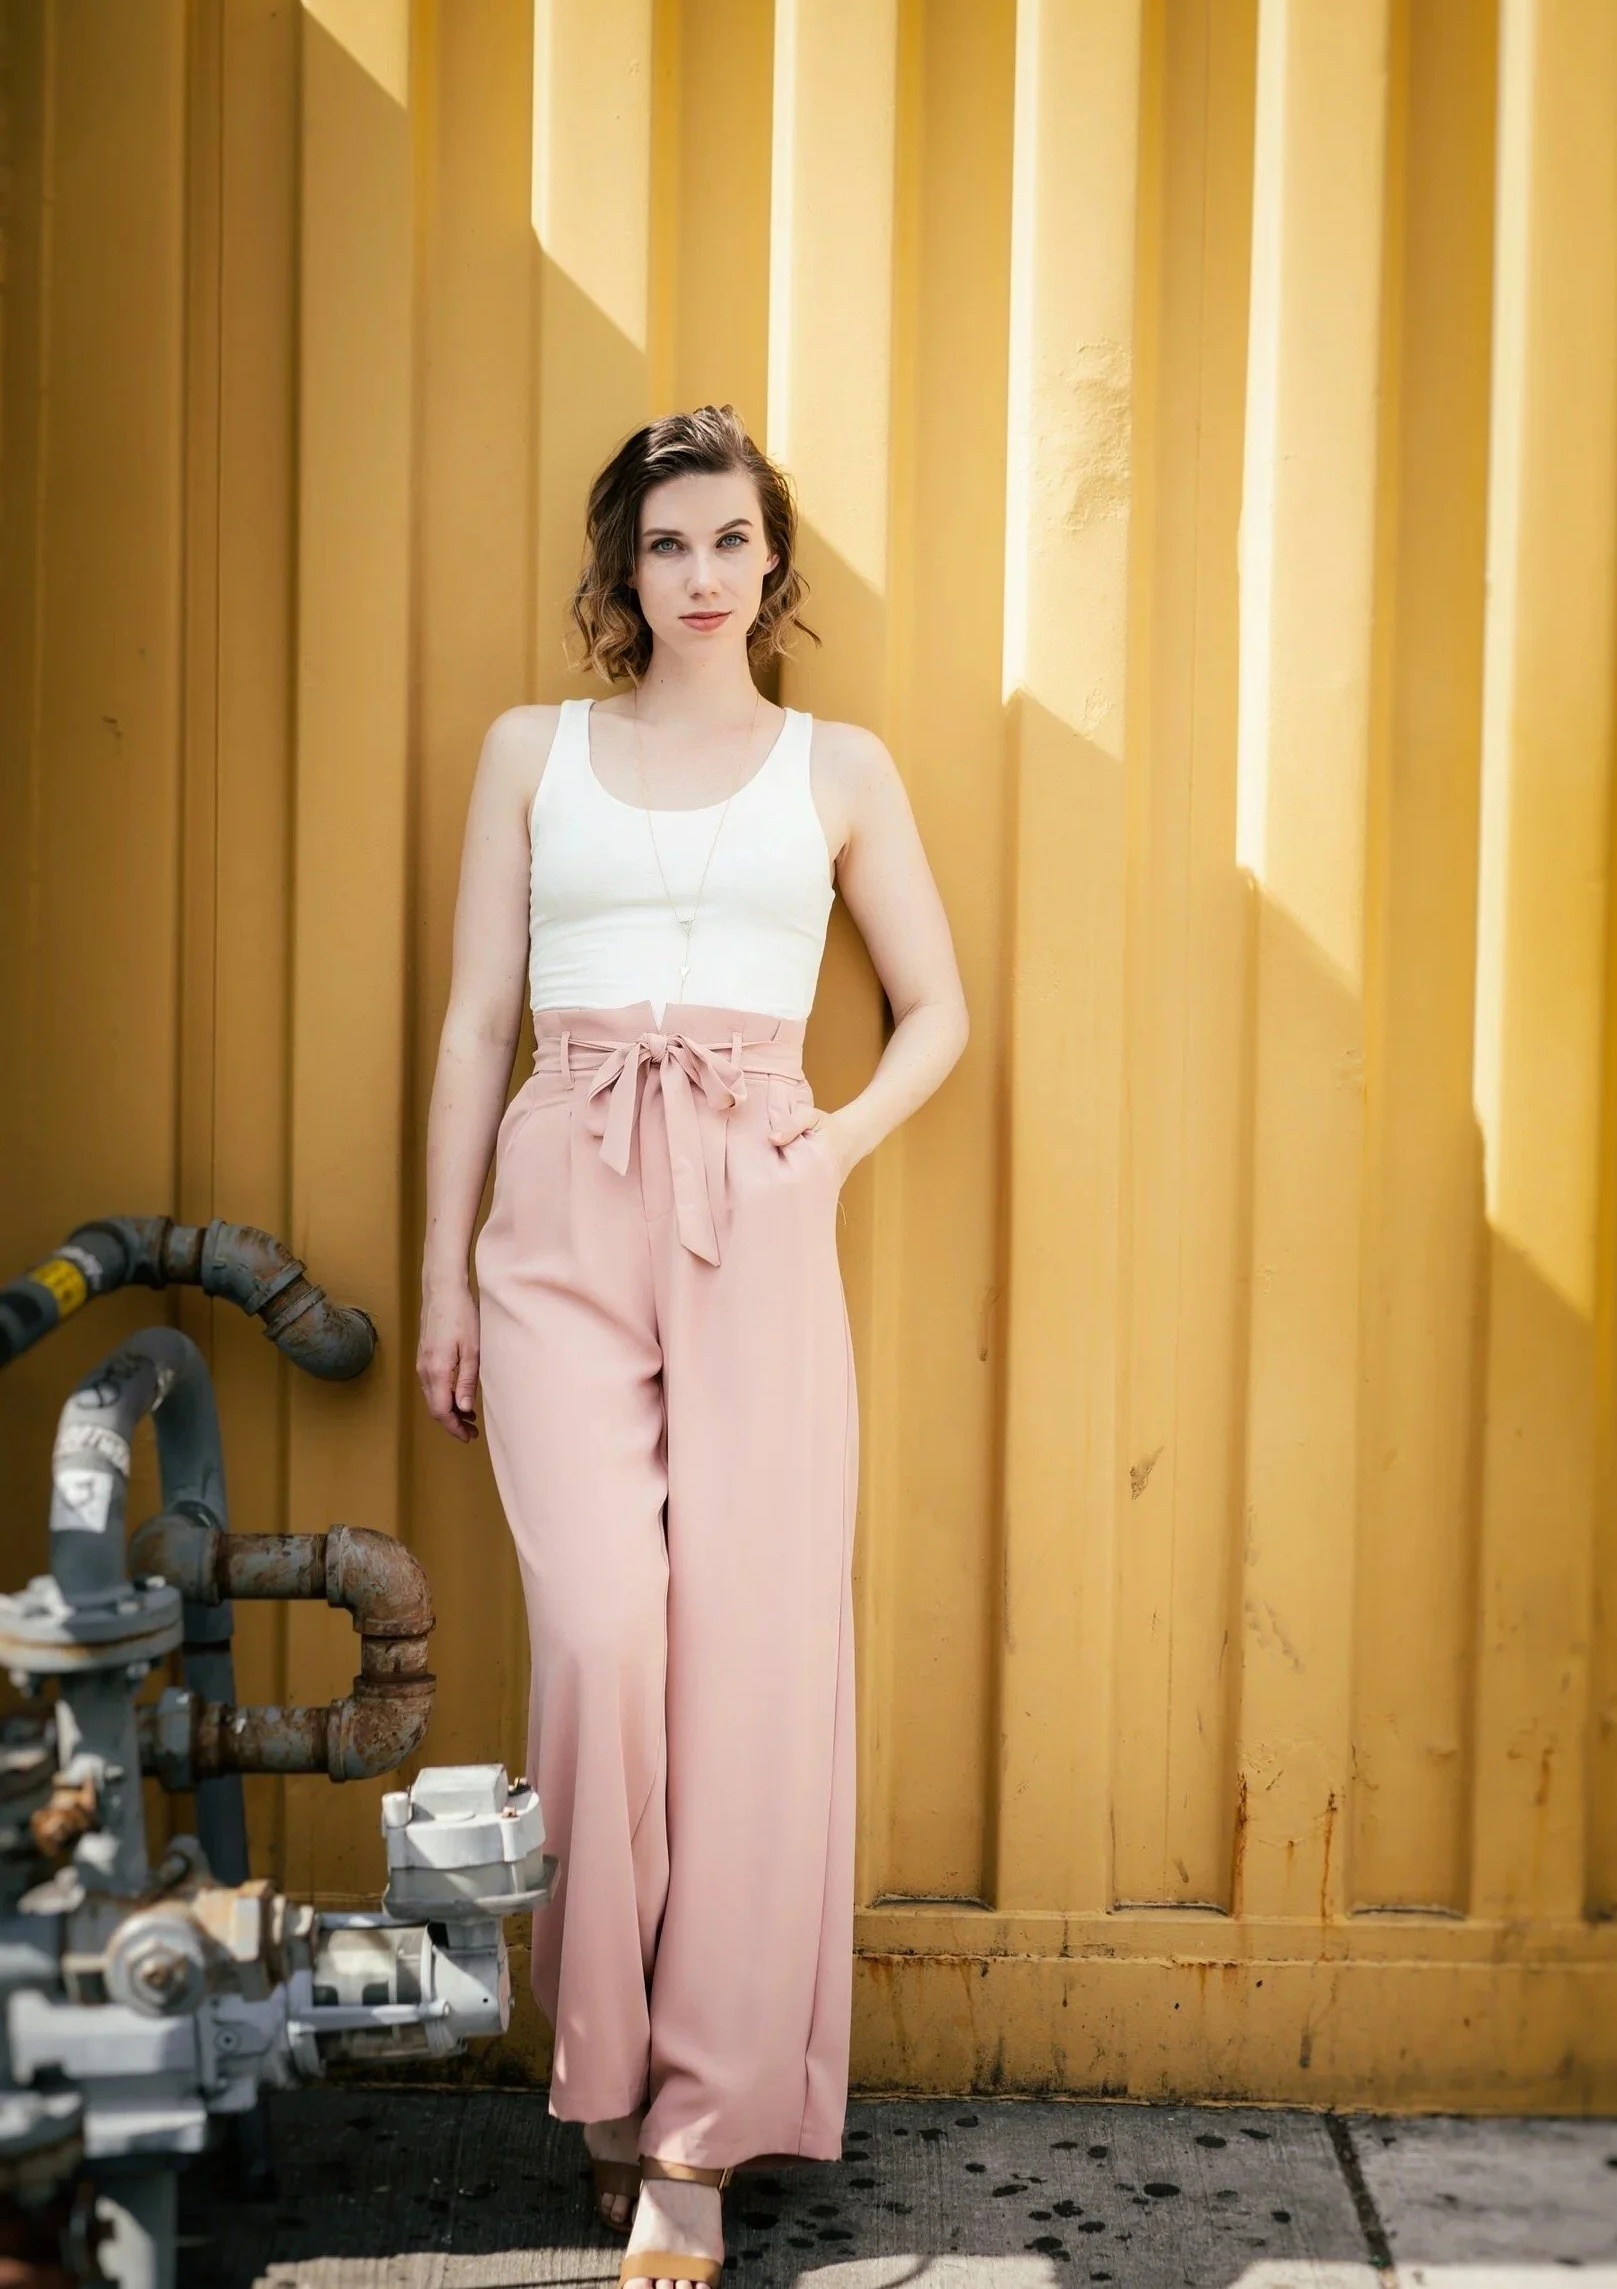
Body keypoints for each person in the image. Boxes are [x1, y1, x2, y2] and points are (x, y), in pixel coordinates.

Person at [416, 405, 967, 2289]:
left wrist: (826, 1146)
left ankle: (696, 2146)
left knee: (749, 1665)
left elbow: (938, 1008)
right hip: (562, 1195)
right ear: (620, 572)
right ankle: (599, 2067)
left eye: (731, 543)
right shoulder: (531, 753)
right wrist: (437, 1277)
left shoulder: (838, 767)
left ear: (774, 567)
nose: (702, 577)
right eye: (667, 547)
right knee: (603, 1640)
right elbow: (477, 1016)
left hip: (754, 1191)